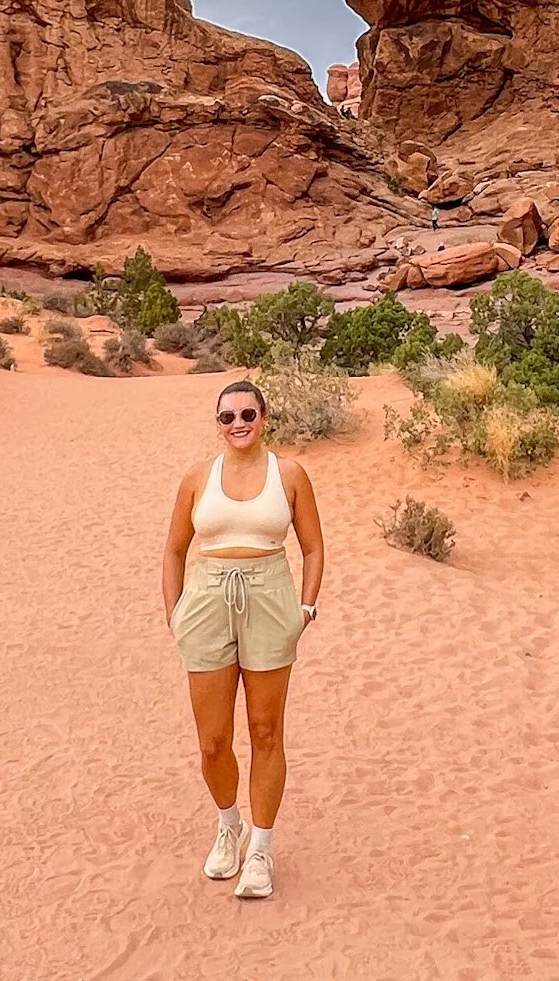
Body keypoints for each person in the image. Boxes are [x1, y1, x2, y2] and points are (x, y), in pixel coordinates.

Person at [161, 379, 325, 899]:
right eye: (227, 417)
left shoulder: (290, 474)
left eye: (247, 414)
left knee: (265, 730)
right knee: (212, 740)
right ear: (217, 424)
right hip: (208, 600)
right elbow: (173, 551)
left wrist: (305, 607)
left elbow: (314, 548)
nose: (238, 424)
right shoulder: (196, 478)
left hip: (271, 596)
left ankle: (260, 847)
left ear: (264, 416)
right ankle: (228, 825)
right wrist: (177, 614)